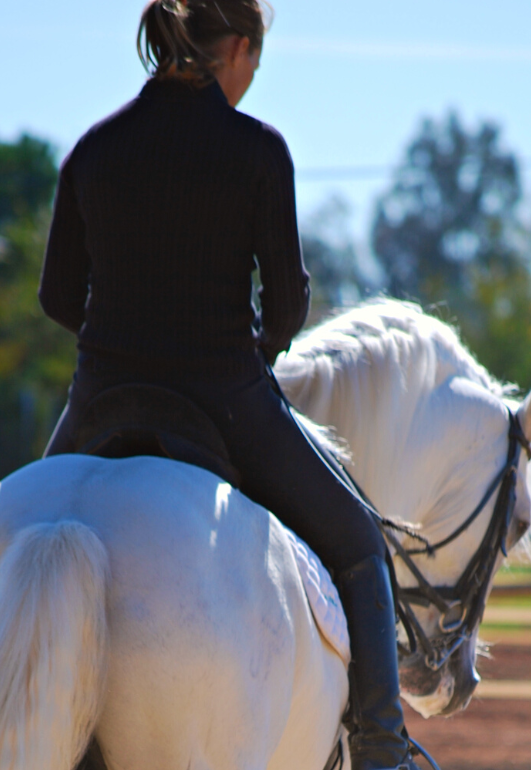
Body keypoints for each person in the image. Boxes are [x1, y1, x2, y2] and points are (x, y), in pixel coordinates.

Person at [39, 2, 425, 768]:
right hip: (223, 395)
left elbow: (56, 296)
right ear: (240, 50)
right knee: (358, 544)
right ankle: (382, 747)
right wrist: (253, 343)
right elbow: (284, 305)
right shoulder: (256, 149)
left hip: (100, 398)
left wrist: (123, 331)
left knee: (13, 533)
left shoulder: (94, 147)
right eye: (257, 61)